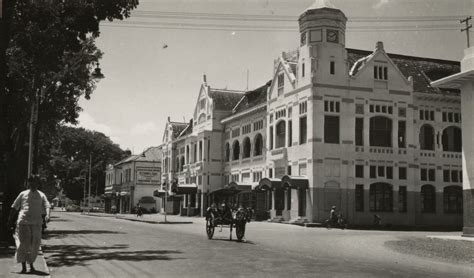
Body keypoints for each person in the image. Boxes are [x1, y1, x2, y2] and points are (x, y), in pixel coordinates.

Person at [7, 175, 51, 274]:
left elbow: (47, 205)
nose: (33, 184)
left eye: (35, 182)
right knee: (23, 245)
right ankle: (23, 267)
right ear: (28, 183)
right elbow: (14, 207)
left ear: (38, 184)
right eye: (31, 182)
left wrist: (47, 215)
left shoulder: (41, 195)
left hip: (36, 223)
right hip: (23, 222)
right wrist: (10, 220)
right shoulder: (23, 194)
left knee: (34, 245)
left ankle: (31, 265)